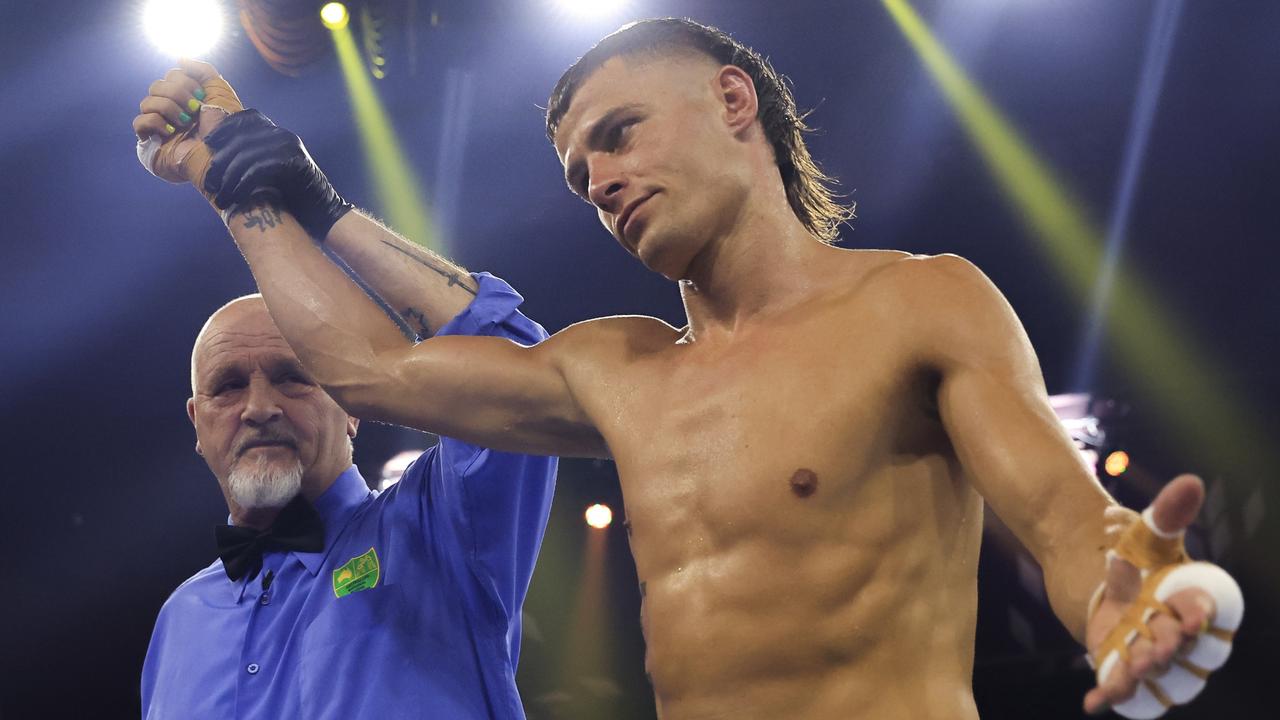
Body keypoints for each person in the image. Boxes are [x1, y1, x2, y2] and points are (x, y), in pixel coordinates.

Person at [134, 18, 1243, 719]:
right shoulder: (619, 369)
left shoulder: (917, 300)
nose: (598, 179)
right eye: (577, 172)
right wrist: (246, 185)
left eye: (618, 135)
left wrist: (1121, 592)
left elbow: (1060, 515)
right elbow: (367, 370)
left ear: (729, 102)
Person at [138, 288, 556, 718]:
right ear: (197, 423)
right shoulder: (180, 618)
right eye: (228, 386)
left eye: (291, 376)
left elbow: (513, 367)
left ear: (352, 406)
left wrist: (328, 226)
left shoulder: (435, 530)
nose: (259, 408)